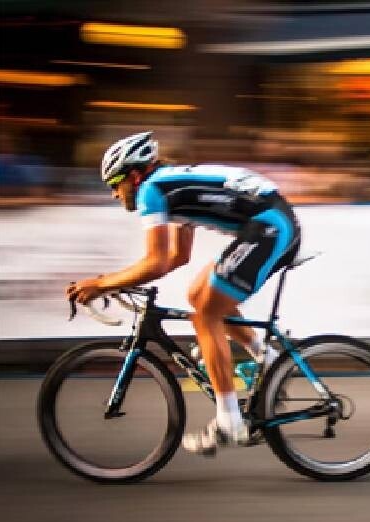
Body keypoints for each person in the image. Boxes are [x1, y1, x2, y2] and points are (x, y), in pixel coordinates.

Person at [67, 131, 301, 454]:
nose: (114, 194)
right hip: (271, 222)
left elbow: (156, 260)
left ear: (133, 176)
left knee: (205, 314)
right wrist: (118, 281)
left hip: (270, 227)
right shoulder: (168, 187)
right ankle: (269, 358)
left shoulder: (152, 191)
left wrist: (102, 283)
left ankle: (229, 421)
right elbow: (178, 256)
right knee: (199, 295)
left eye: (114, 184)